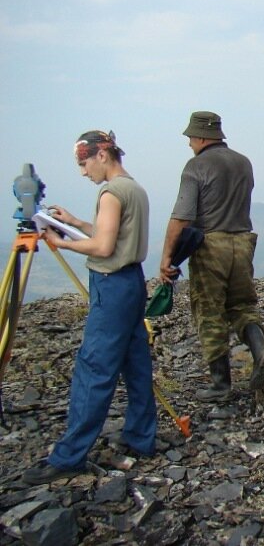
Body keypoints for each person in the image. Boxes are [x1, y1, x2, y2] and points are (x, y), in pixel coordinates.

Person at [23, 130, 156, 484]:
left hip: (112, 287)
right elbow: (110, 235)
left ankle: (69, 456)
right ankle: (141, 438)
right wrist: (74, 223)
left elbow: (102, 247)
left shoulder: (110, 192)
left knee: (95, 367)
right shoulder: (134, 188)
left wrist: (58, 242)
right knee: (135, 362)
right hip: (132, 282)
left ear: (102, 155)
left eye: (83, 163)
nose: (83, 172)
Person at [160, 111, 264, 402]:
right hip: (244, 242)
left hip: (212, 246)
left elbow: (181, 217)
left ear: (199, 137)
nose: (188, 144)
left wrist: (167, 258)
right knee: (242, 304)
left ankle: (220, 385)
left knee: (209, 311)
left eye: (190, 138)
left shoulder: (195, 166)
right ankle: (261, 351)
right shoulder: (243, 162)